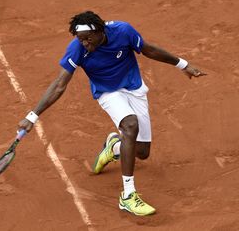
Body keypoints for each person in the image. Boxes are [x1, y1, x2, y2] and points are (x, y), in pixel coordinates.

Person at [17, 11, 206, 216]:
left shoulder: (123, 31)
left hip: (134, 88)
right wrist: (32, 115)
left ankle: (113, 147)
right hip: (107, 92)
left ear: (101, 31)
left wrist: (182, 64)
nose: (85, 43)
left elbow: (148, 50)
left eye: (88, 38)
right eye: (81, 39)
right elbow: (59, 85)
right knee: (130, 125)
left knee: (142, 152)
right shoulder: (77, 49)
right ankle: (128, 196)